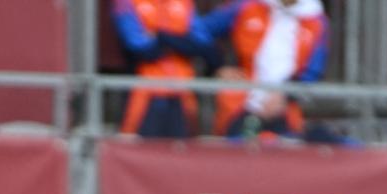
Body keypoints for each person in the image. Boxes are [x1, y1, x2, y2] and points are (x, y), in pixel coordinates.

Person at [200, 0, 337, 142]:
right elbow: (200, 31)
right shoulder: (246, 6)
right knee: (233, 150)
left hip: (284, 112)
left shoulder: (316, 20)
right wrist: (218, 66)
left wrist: (285, 95)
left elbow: (313, 71)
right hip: (241, 105)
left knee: (286, 151)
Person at [111, 0, 223, 137]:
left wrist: (162, 37)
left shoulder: (184, 3)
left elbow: (203, 46)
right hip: (143, 96)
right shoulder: (126, 2)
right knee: (137, 145)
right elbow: (139, 49)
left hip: (183, 94)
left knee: (183, 146)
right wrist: (180, 40)